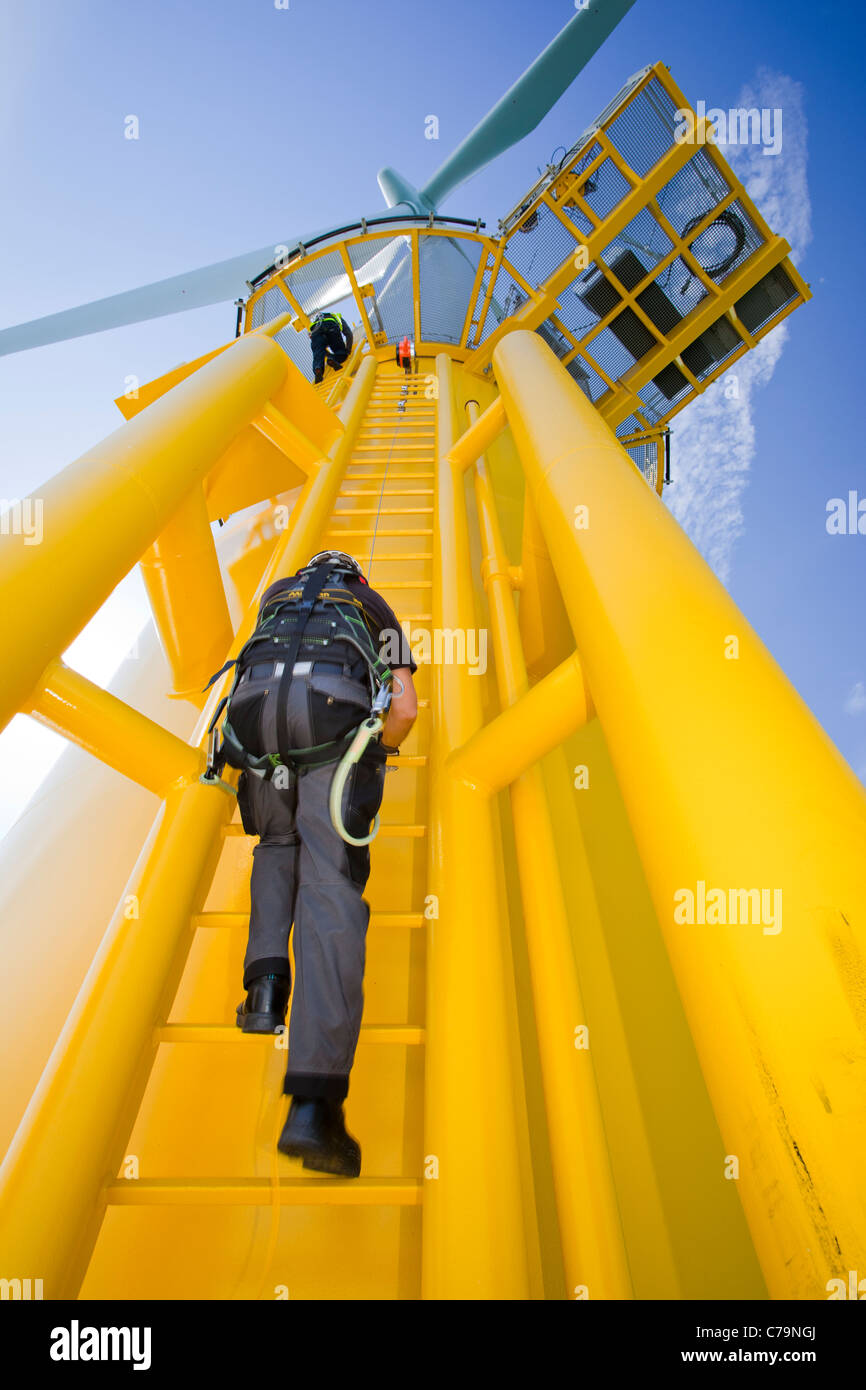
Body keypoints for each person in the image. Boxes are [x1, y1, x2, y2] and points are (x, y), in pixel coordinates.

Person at [228, 550, 417, 1177]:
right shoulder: (374, 607)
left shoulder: (276, 599)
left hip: (255, 724)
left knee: (277, 847)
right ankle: (314, 1107)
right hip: (330, 722)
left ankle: (264, 990)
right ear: (358, 578)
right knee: (330, 888)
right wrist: (376, 752)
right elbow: (406, 710)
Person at [308, 311, 353, 383]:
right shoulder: (337, 316)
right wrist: (347, 351)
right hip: (331, 326)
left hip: (315, 330)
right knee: (341, 352)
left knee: (318, 353)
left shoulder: (316, 321)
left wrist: (329, 355)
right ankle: (335, 359)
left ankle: (318, 368)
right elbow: (349, 334)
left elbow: (320, 350)